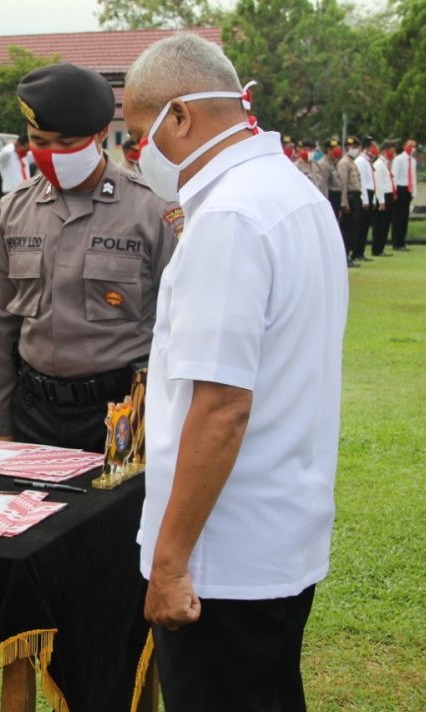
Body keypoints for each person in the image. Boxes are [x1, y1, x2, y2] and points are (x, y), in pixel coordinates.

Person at [123, 33, 348, 711]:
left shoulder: (229, 218)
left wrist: (169, 563)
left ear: (181, 116)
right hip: (279, 533)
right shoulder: (291, 194)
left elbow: (222, 406)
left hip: (221, 561)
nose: (139, 155)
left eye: (139, 135)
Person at [0, 62, 181, 456]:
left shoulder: (152, 210)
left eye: (67, 143)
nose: (52, 154)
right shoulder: (13, 211)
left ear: (101, 133)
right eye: (39, 141)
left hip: (122, 411)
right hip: (33, 412)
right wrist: (0, 425)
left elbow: (177, 326)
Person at [338, 135, 365, 265]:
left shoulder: (351, 162)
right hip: (349, 197)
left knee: (354, 228)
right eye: (351, 147)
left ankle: (348, 255)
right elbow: (343, 184)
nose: (354, 149)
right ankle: (345, 256)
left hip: (355, 196)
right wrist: (344, 203)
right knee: (347, 229)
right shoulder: (344, 163)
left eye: (355, 147)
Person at [390, 138, 418, 251]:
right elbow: (394, 175)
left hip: (408, 189)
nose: (412, 148)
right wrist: (394, 191)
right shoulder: (399, 159)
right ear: (405, 146)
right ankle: (396, 242)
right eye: (410, 145)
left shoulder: (413, 161)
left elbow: (413, 176)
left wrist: (413, 191)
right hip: (400, 188)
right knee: (398, 217)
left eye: (414, 146)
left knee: (404, 217)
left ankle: (402, 241)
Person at [372, 139, 397, 257]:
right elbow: (379, 184)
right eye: (391, 150)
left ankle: (380, 248)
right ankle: (377, 248)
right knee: (380, 224)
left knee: (386, 224)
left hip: (389, 195)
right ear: (385, 151)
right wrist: (381, 201)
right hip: (383, 196)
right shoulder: (379, 165)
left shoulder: (385, 164)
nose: (393, 153)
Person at [354, 136, 378, 259]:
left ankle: (361, 252)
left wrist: (373, 199)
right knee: (361, 226)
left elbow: (371, 182)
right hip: (364, 194)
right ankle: (356, 252)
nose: (375, 149)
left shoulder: (368, 161)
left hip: (370, 193)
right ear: (367, 148)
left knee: (365, 226)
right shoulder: (361, 161)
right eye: (373, 147)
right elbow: (362, 181)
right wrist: (366, 199)